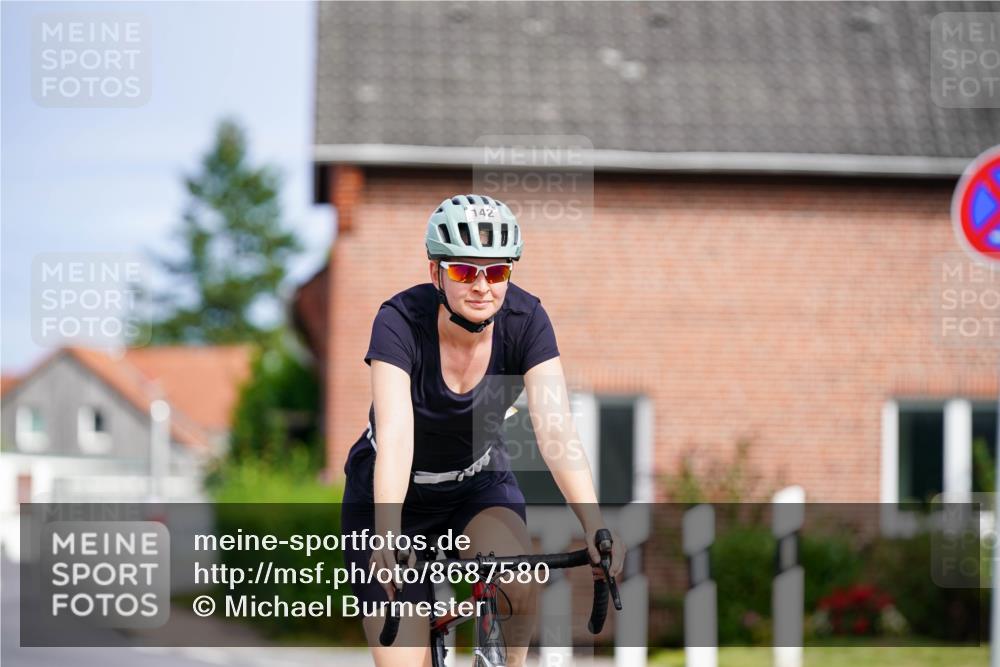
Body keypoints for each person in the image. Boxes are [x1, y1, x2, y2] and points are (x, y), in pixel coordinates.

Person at [341, 194, 625, 667]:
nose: (481, 286)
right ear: (436, 273)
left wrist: (593, 523)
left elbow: (555, 428)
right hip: (391, 495)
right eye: (462, 271)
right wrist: (387, 534)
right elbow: (396, 436)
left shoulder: (527, 321)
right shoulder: (398, 322)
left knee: (516, 583)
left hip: (475, 484)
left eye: (496, 272)